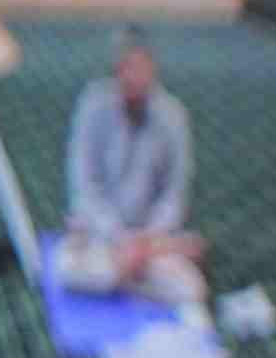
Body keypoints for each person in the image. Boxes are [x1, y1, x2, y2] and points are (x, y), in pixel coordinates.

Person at [54, 35, 202, 303]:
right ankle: (126, 276)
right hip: (102, 234)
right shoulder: (93, 106)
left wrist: (146, 242)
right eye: (127, 68)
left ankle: (117, 278)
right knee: (65, 270)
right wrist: (118, 237)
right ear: (117, 71)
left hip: (150, 242)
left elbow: (174, 195)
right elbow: (84, 187)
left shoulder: (173, 116)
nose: (134, 77)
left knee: (190, 290)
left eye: (141, 69)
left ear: (153, 72)